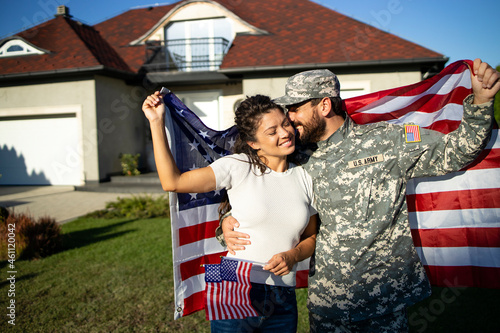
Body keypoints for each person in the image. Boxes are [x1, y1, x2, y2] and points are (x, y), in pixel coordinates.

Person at [220, 58, 500, 332]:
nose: (289, 118)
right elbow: (262, 196)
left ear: (325, 105)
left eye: (294, 108)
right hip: (329, 305)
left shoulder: (390, 139)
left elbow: (456, 151)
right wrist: (227, 224)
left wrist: (481, 103)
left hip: (383, 302)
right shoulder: (299, 156)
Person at [142, 93, 318, 332]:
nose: (285, 133)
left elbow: (311, 237)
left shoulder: (305, 176)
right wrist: (155, 122)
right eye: (272, 131)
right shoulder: (237, 166)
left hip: (282, 293)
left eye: (285, 123)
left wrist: (294, 255)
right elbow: (172, 182)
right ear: (253, 143)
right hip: (232, 283)